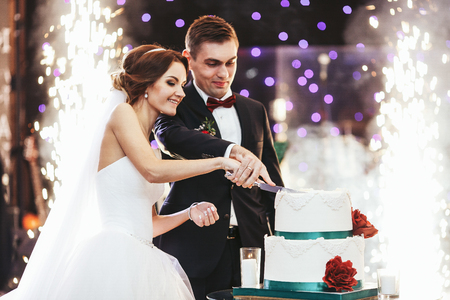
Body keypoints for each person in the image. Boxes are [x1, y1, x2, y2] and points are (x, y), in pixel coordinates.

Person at [0, 44, 243, 300]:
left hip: (143, 256)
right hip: (114, 254)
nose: (180, 93)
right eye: (171, 82)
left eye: (182, 85)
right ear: (147, 84)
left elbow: (148, 225)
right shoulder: (122, 113)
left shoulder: (149, 146)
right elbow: (153, 172)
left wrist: (189, 212)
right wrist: (219, 161)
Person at [154, 15, 284, 299]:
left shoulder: (254, 109)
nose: (224, 73)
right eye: (212, 63)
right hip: (192, 247)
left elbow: (271, 180)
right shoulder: (174, 102)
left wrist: (286, 242)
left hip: (251, 250)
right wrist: (230, 150)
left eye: (230, 62)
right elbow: (170, 137)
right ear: (189, 58)